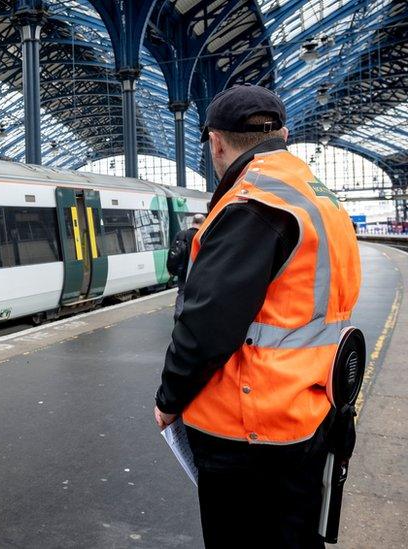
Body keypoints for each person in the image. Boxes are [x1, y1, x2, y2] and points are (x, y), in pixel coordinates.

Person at [153, 84, 361, 548]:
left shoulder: (252, 202)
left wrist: (169, 399)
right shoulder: (316, 195)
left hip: (248, 428)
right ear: (283, 134)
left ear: (216, 143)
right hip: (310, 411)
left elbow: (207, 326)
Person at [166, 213, 204, 320]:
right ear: (203, 223)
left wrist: (171, 269)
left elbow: (172, 253)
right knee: (199, 296)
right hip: (198, 272)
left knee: (182, 293)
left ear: (192, 222)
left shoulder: (181, 234)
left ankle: (179, 317)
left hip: (182, 272)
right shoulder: (203, 235)